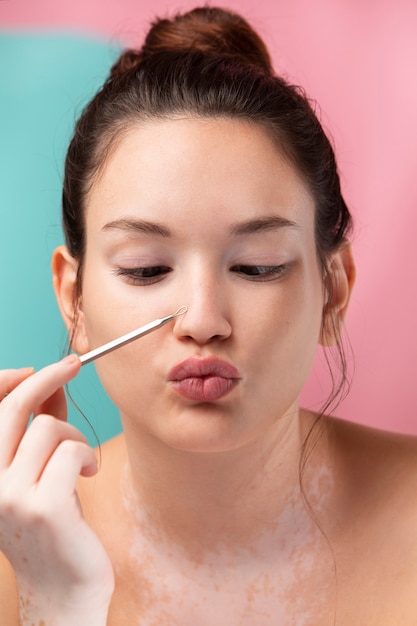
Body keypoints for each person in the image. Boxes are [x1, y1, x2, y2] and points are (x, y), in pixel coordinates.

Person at [0, 6, 416, 625]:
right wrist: (54, 608)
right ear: (74, 299)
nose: (202, 320)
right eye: (146, 269)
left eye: (256, 266)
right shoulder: (17, 553)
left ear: (334, 291)